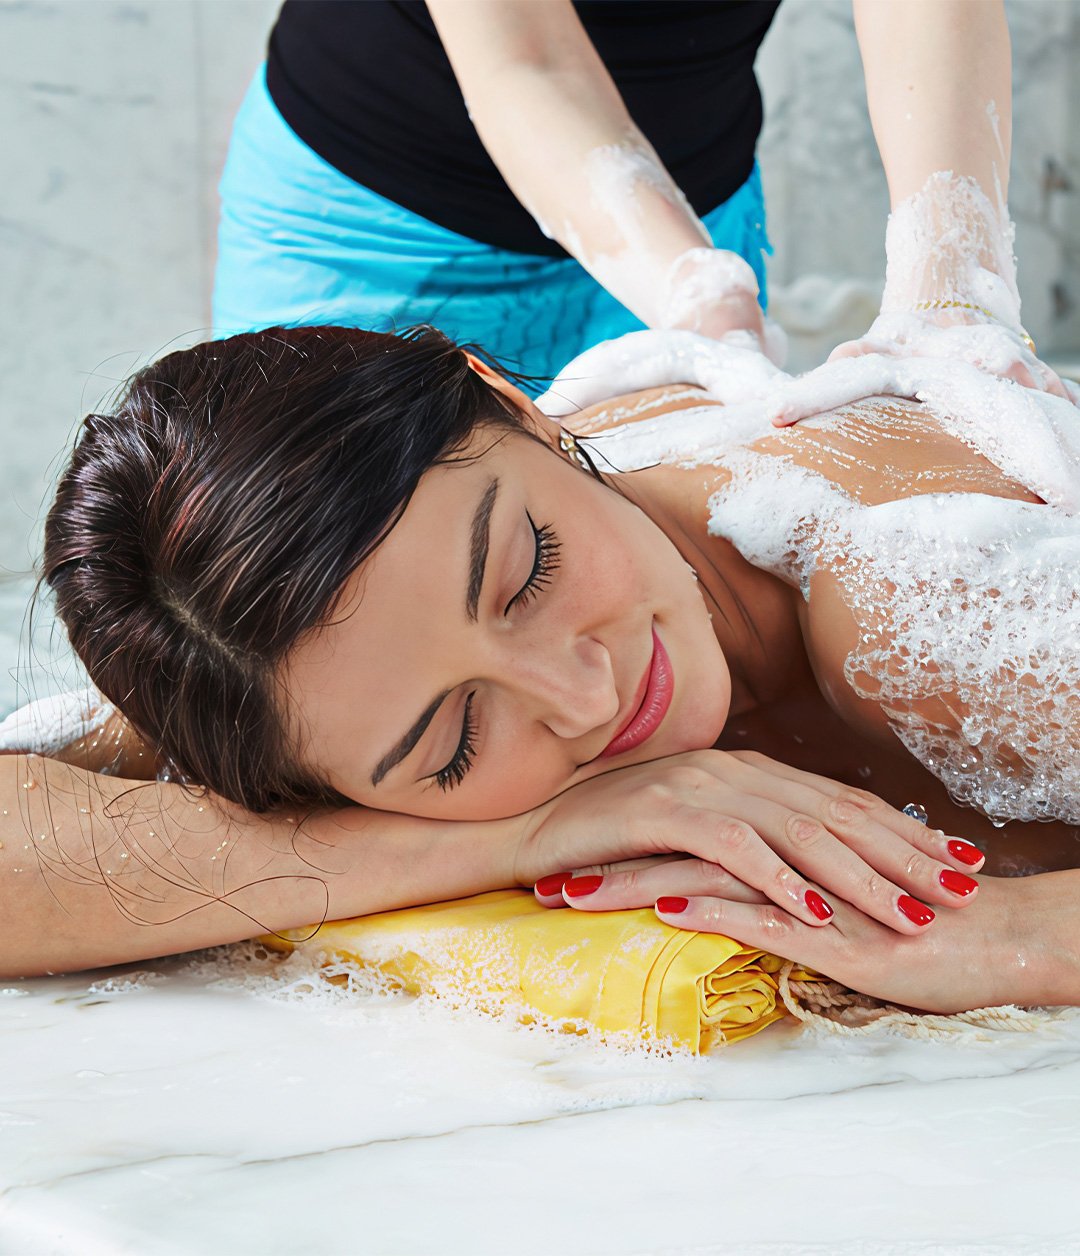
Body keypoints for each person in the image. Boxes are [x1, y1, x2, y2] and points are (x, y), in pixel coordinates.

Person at [6, 253, 1079, 1013]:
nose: (584, 696)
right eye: (454, 742)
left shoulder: (923, 619)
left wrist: (1004, 937)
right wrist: (511, 835)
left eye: (528, 575)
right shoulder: (328, 651)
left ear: (514, 403)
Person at [214, 0, 1069, 401]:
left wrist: (953, 287)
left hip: (697, 209)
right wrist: (695, 293)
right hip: (372, 226)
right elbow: (527, 61)